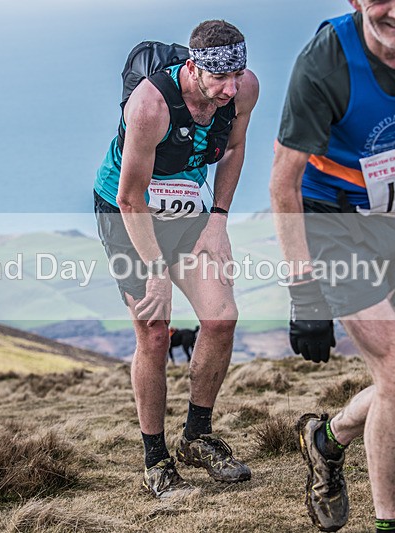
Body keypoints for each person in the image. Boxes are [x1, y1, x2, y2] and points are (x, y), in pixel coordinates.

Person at [270, 1, 395, 531]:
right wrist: (304, 291)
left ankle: (326, 437)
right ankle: (390, 524)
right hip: (331, 225)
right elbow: (282, 181)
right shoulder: (325, 61)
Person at [94, 20, 258, 498]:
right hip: (129, 215)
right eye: (219, 79)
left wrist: (219, 218)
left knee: (222, 317)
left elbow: (235, 148)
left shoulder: (243, 88)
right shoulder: (150, 105)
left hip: (188, 211)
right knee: (155, 332)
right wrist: (156, 272)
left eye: (238, 76)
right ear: (192, 66)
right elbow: (129, 198)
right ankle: (156, 460)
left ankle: (197, 437)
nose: (230, 89)